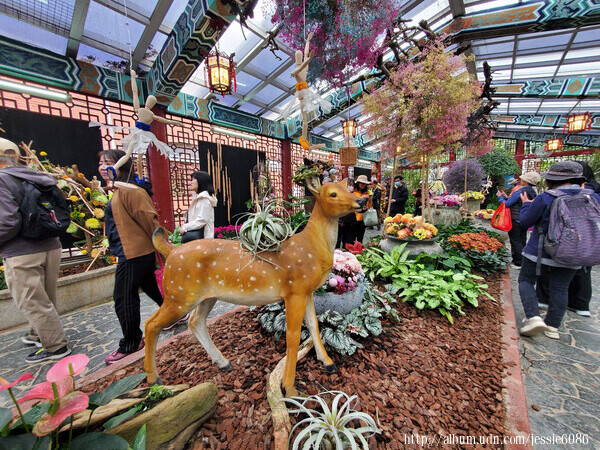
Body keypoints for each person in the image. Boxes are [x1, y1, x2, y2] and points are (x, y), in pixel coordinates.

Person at [99, 149, 182, 364]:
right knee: (151, 288)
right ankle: (176, 314)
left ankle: (132, 342)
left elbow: (149, 221)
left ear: (122, 164)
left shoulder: (131, 191)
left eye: (107, 162)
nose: (102, 166)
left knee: (124, 297)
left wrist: (164, 246)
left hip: (134, 253)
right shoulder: (120, 189)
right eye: (100, 162)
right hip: (132, 251)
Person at [0, 138, 70, 362]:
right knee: (45, 296)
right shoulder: (36, 176)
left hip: (21, 250)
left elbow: (7, 222)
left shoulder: (2, 180)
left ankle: (56, 346)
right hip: (51, 244)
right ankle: (38, 334)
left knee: (32, 301)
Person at [517, 161, 600, 340]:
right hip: (573, 252)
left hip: (539, 251)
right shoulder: (592, 198)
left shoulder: (545, 197)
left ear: (551, 179)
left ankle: (533, 317)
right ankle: (552, 327)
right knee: (561, 288)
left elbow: (525, 222)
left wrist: (526, 205)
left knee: (526, 280)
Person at [537, 160, 600, 316]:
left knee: (554, 275)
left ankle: (545, 301)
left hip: (562, 240)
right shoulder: (593, 194)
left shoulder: (551, 195)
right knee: (582, 271)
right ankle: (581, 304)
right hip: (587, 239)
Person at [497, 171, 540, 267]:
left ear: (526, 181)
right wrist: (506, 197)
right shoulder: (533, 192)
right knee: (522, 239)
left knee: (515, 240)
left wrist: (500, 197)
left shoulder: (520, 191)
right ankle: (523, 259)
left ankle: (518, 262)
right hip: (525, 219)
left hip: (516, 219)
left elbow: (507, 204)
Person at [180, 171, 218, 243]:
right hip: (199, 241)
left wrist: (185, 227)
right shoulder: (199, 198)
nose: (191, 182)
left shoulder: (203, 199)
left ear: (200, 181)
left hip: (203, 240)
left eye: (193, 179)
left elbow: (201, 220)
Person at [340, 175, 372, 248]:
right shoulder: (352, 192)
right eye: (361, 183)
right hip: (351, 220)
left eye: (364, 184)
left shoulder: (367, 194)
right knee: (351, 239)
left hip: (362, 220)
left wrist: (367, 207)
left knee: (360, 240)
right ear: (358, 183)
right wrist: (360, 198)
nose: (362, 185)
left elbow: (369, 205)